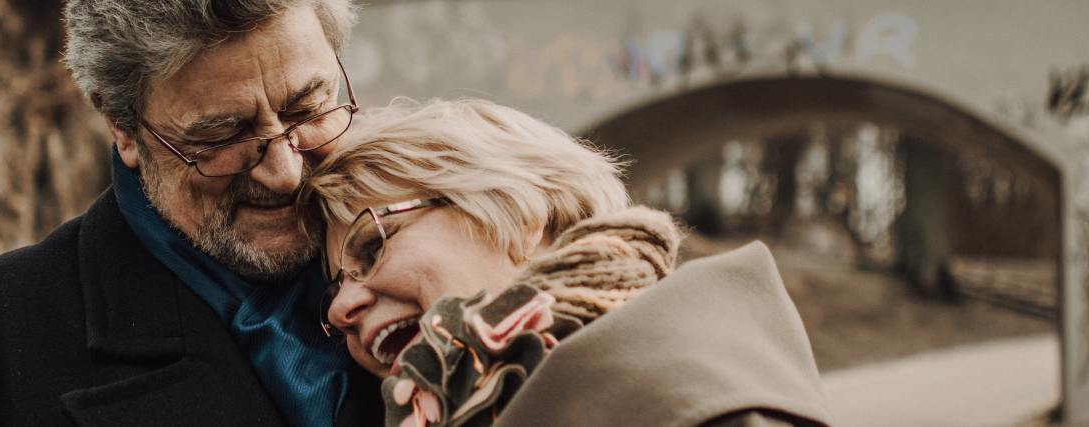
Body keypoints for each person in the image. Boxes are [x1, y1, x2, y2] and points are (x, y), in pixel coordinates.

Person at [0, 1, 384, 425]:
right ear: (122, 126)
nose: (285, 174)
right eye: (222, 135)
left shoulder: (425, 250)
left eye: (308, 109)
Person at [306, 99, 831, 426]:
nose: (339, 309)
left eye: (372, 246)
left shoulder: (700, 406)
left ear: (519, 215)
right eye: (333, 288)